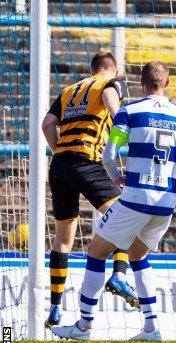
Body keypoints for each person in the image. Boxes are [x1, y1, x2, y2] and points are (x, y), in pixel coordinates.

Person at [51, 61, 176, 341]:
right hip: (166, 201)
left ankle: (83, 326)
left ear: (141, 84)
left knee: (96, 251)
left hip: (135, 198)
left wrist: (117, 176)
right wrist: (167, 174)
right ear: (167, 84)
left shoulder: (129, 111)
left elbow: (109, 154)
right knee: (138, 255)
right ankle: (151, 328)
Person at [41, 51, 138, 328]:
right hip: (88, 161)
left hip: (60, 165)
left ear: (92, 67)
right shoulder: (111, 84)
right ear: (114, 70)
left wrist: (60, 150)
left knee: (63, 239)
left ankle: (55, 308)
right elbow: (110, 101)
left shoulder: (70, 90)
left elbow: (47, 124)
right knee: (125, 215)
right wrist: (122, 120)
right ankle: (119, 274)